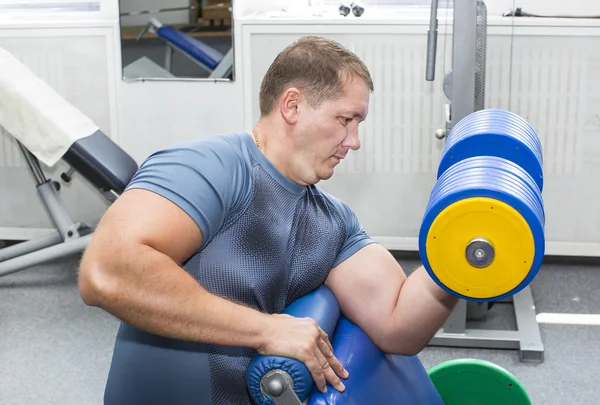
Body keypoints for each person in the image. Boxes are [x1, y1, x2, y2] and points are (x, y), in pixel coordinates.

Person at [78, 35, 458, 405]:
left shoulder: (333, 220)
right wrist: (267, 330)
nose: (354, 141)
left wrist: (461, 254)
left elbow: (397, 325)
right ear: (292, 106)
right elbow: (108, 272)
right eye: (345, 119)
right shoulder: (210, 168)